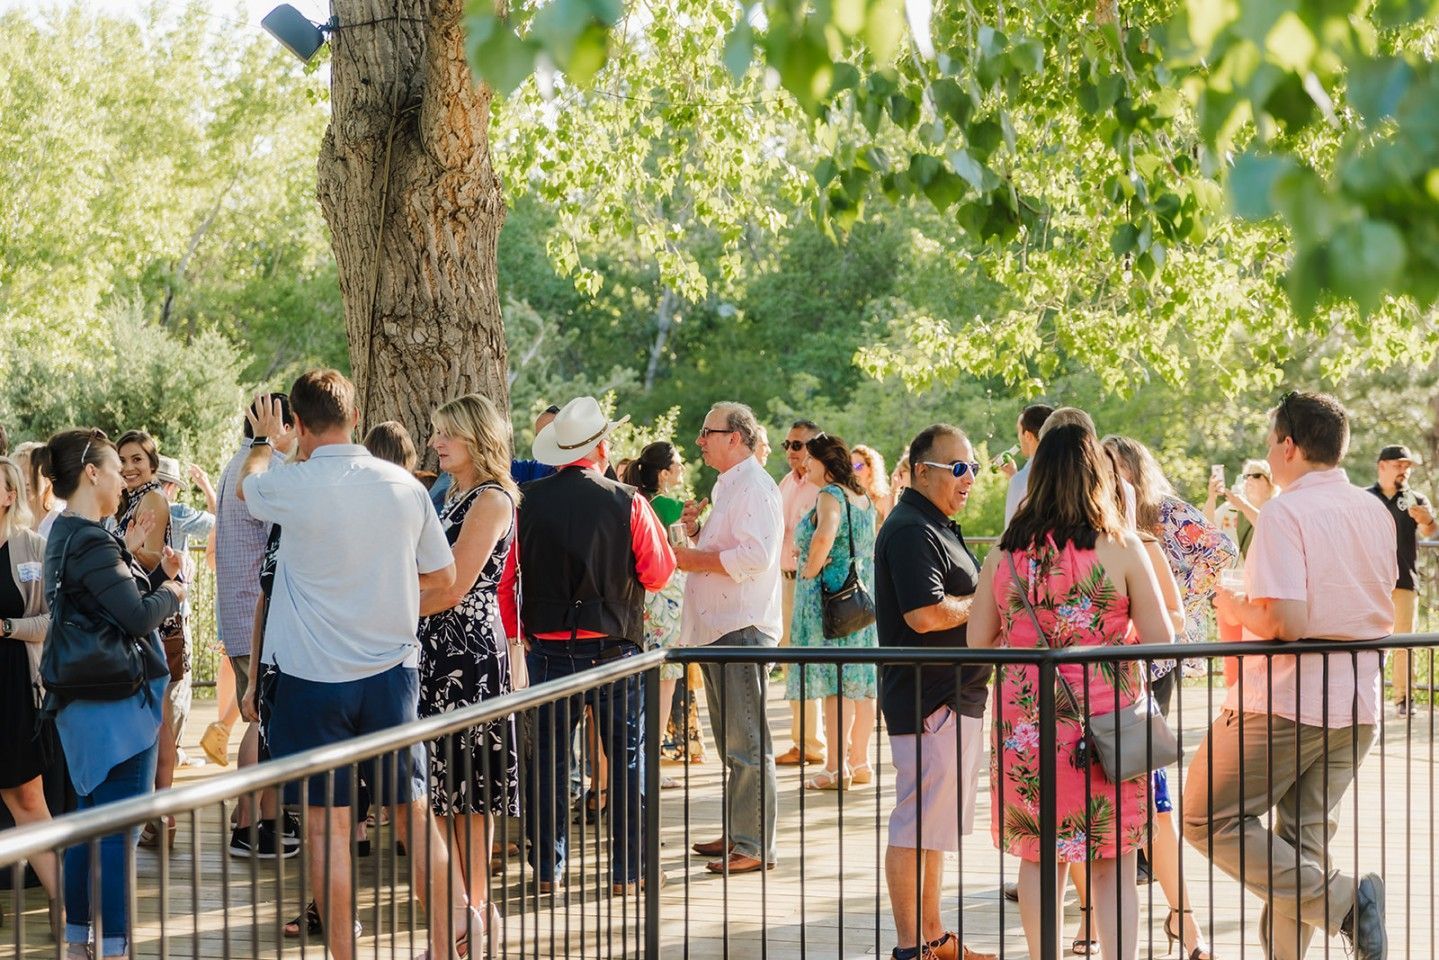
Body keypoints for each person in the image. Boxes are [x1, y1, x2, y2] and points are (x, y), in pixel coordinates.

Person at [236, 372, 472, 960]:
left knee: (326, 829)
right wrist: (383, 602)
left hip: (310, 682)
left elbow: (249, 486)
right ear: (355, 412)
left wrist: (265, 441)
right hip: (390, 674)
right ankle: (448, 946)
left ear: (297, 419)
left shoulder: (292, 483)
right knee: (413, 817)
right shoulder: (404, 485)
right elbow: (444, 581)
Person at [1185, 391, 1392, 960]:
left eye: (1273, 442)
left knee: (1207, 817)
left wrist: (1234, 606)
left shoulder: (1284, 511)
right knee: (1302, 843)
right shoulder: (1375, 510)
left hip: (1284, 700)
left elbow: (1285, 622)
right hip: (1358, 700)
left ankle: (1349, 902)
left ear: (1289, 445)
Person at [969, 422, 1174, 960]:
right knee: (1113, 860)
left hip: (1027, 726)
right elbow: (1162, 641)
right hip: (1107, 728)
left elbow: (977, 641)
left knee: (1040, 857)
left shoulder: (1006, 553)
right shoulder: (1122, 547)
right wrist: (1108, 635)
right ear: (1097, 476)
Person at [506, 395, 675, 895]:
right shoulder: (629, 502)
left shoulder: (526, 501)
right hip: (614, 649)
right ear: (603, 446)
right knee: (626, 758)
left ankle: (548, 870)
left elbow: (509, 577)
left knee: (550, 759)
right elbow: (659, 573)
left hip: (548, 650)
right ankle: (628, 871)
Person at [38, 429, 184, 959]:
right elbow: (136, 615)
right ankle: (117, 947)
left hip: (80, 706)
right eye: (115, 468)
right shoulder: (93, 539)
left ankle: (80, 941)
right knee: (119, 836)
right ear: (92, 472)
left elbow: (105, 601)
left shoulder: (65, 532)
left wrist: (146, 569)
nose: (125, 477)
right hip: (118, 708)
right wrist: (171, 590)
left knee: (84, 827)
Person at [1102, 435, 1228, 959]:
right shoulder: (1104, 521)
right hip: (1116, 668)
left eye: (1113, 463)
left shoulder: (1164, 516)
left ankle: (1169, 897)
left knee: (1144, 775)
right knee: (1127, 777)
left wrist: (1184, 595)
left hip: (1152, 660)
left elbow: (1219, 551)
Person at [872, 424, 995, 960]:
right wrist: (987, 601)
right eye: (959, 468)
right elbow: (925, 614)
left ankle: (933, 936)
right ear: (922, 471)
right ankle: (909, 947)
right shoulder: (909, 530)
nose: (969, 478)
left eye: (973, 468)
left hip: (956, 695)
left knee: (936, 824)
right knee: (916, 819)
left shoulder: (937, 523)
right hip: (929, 699)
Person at [415, 394, 522, 927]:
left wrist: (383, 609)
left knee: (472, 791)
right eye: (436, 432)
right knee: (440, 787)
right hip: (434, 648)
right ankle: (460, 912)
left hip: (469, 650)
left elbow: (454, 584)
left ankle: (474, 912)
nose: (436, 442)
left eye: (445, 434)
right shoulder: (449, 495)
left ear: (478, 437)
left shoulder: (492, 499)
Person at [674, 401, 783, 875]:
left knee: (747, 741)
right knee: (730, 740)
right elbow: (729, 548)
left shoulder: (755, 486)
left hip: (741, 628)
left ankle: (755, 842)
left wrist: (692, 558)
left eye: (706, 431)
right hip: (721, 629)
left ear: (734, 437)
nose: (700, 440)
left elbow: (755, 556)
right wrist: (697, 533)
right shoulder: (731, 484)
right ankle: (741, 831)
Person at [213, 393, 299, 857]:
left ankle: (262, 817)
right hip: (258, 615)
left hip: (237, 609)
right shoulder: (267, 470)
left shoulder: (236, 464)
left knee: (262, 719)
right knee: (262, 721)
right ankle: (251, 824)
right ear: (277, 426)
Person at [784, 433, 880, 790]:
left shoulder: (830, 495)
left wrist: (809, 568)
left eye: (810, 459)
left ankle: (835, 768)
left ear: (826, 462)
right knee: (861, 683)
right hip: (860, 598)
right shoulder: (863, 497)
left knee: (834, 687)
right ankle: (861, 761)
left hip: (829, 599)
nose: (805, 465)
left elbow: (826, 533)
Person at [114, 430, 185, 847]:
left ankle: (163, 814)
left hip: (155, 617)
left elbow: (150, 556)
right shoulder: (135, 499)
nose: (128, 467)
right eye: (122, 460)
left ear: (152, 462)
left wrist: (115, 547)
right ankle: (158, 815)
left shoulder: (153, 498)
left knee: (157, 721)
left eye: (137, 459)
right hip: (145, 612)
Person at [0, 457, 59, 926]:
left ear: (8, 494)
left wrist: (7, 626)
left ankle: (71, 910)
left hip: (15, 688)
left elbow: (50, 621)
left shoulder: (32, 548)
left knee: (27, 800)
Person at [624, 442, 694, 776]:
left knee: (637, 684)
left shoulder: (629, 499)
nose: (682, 469)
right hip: (666, 598)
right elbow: (682, 553)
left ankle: (633, 762)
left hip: (638, 599)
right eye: (679, 464)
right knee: (664, 684)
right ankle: (650, 765)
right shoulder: (670, 507)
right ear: (664, 473)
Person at [1367, 444, 1436, 716]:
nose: (1404, 471)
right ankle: (1362, 696)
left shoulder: (1416, 499)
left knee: (1404, 642)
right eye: (1399, 465)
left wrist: (1428, 520)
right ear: (1382, 465)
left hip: (1405, 579)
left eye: (1407, 467)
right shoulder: (1364, 498)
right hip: (1370, 580)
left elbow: (1431, 533)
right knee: (1365, 640)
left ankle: (1403, 699)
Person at [775, 417, 825, 766]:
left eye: (798, 445)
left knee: (808, 664)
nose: (791, 451)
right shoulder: (785, 484)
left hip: (808, 583)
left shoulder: (823, 488)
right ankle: (802, 740)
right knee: (792, 663)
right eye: (787, 445)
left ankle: (812, 744)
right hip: (781, 581)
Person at [1204, 459, 1278, 558]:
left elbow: (1271, 529)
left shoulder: (1278, 509)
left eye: (1256, 476)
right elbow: (1206, 528)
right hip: (1231, 573)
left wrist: (1243, 506)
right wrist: (1212, 497)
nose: (1249, 480)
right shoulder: (1231, 508)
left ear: (1271, 482)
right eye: (1246, 476)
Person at [1003, 403, 1054, 526]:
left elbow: (1010, 531)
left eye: (1019, 432)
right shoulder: (1070, 473)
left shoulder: (1021, 480)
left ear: (1027, 436)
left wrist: (1016, 479)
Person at [13, 441, 64, 537]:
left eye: (32, 474)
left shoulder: (60, 521)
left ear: (48, 479)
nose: (25, 481)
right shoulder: (11, 522)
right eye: (19, 473)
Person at [852, 443, 893, 523]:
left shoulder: (884, 500)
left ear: (871, 468)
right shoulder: (848, 500)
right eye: (850, 466)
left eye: (858, 466)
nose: (853, 471)